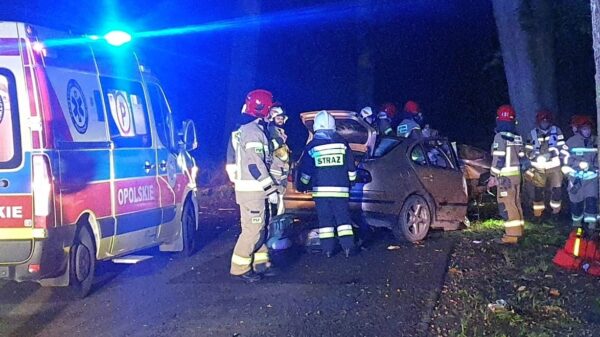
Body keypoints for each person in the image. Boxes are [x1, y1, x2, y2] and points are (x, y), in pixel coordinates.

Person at [225, 89, 279, 282]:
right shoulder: (253, 131)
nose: (272, 113)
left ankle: (261, 264)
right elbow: (255, 164)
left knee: (259, 227)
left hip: (251, 189)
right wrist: (270, 188)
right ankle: (240, 268)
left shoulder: (247, 129)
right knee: (253, 229)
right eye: (270, 109)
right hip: (253, 189)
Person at [297, 110, 357, 258]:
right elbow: (351, 166)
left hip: (321, 192)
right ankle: (348, 248)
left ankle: (328, 250)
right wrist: (352, 181)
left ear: (317, 127)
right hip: (341, 191)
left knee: (325, 221)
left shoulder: (312, 146)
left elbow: (306, 171)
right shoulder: (342, 144)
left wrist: (302, 185)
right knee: (343, 220)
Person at [488, 104, 526, 244]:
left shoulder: (499, 137)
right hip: (516, 176)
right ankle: (519, 230)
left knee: (507, 205)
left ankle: (512, 235)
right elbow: (522, 156)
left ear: (498, 120)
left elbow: (499, 158)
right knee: (516, 203)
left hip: (505, 178)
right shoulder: (517, 137)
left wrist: (493, 176)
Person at [523, 110, 565, 220]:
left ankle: (556, 213)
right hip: (538, 167)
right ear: (538, 122)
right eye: (542, 121)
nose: (545, 123)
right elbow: (527, 149)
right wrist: (533, 156)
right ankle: (538, 214)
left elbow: (562, 147)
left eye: (546, 121)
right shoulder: (532, 134)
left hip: (554, 166)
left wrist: (551, 154)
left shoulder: (557, 131)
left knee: (557, 190)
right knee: (537, 191)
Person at [561, 115, 598, 232]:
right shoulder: (571, 142)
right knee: (576, 203)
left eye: (588, 129)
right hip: (575, 179)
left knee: (592, 202)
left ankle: (592, 227)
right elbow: (564, 158)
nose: (587, 131)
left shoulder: (596, 141)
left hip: (591, 179)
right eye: (584, 129)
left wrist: (595, 168)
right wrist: (578, 164)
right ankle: (577, 225)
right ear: (579, 129)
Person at [267, 103, 291, 216]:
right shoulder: (272, 130)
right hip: (274, 171)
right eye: (278, 118)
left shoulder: (280, 131)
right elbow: (274, 147)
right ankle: (274, 225)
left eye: (282, 118)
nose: (280, 120)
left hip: (280, 171)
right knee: (275, 200)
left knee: (280, 199)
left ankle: (276, 223)